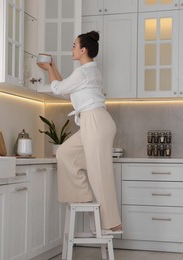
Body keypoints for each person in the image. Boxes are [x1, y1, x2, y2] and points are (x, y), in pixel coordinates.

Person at [38, 31, 122, 233]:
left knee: (99, 173)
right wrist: (54, 68)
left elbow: (58, 89)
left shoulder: (83, 72)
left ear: (83, 50)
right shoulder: (88, 72)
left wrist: (49, 68)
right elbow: (65, 88)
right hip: (92, 122)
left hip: (95, 121)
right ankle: (84, 198)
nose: (72, 48)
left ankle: (112, 224)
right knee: (65, 153)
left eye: (74, 45)